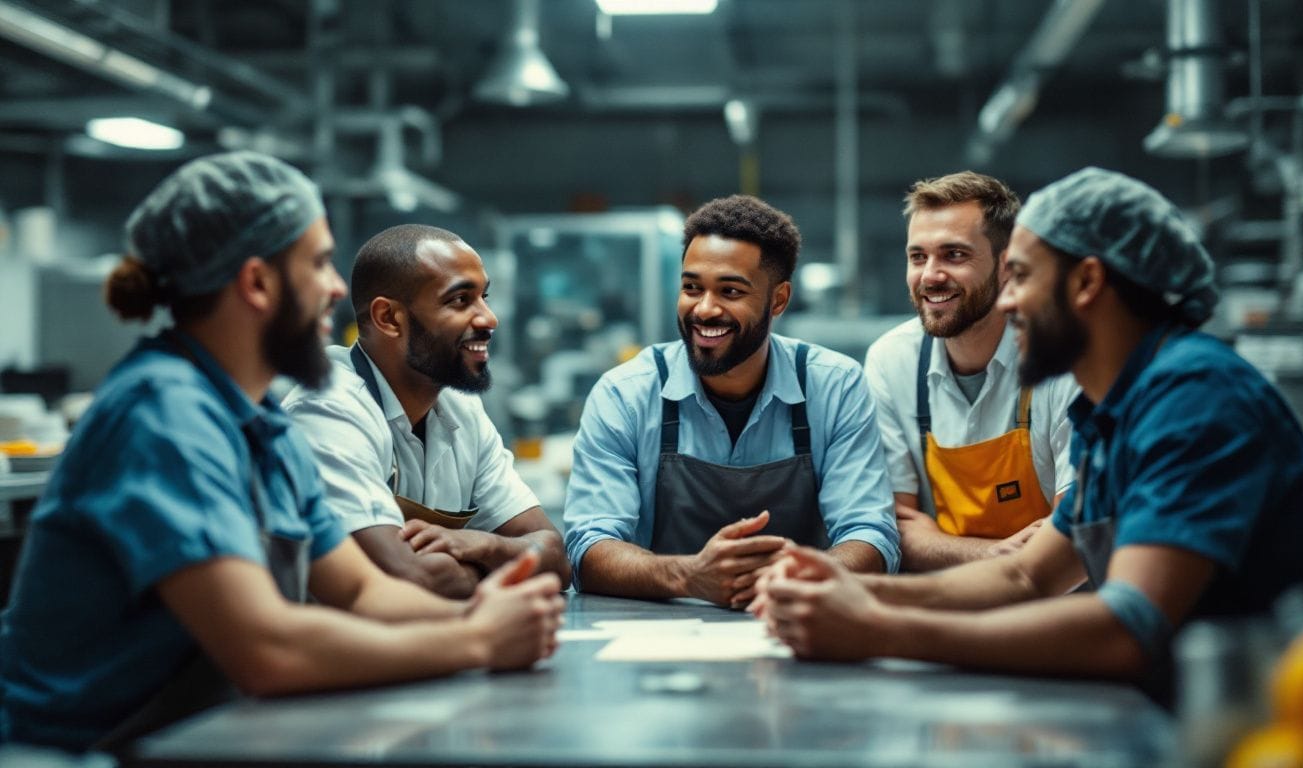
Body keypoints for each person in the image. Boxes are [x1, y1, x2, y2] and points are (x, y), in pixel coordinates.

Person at [0, 152, 564, 754]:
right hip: (71, 752)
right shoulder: (163, 415)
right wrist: (476, 641)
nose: (336, 288)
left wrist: (491, 618)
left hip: (185, 738)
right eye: (319, 263)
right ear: (257, 283)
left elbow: (363, 592)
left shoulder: (261, 425)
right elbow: (265, 649)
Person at [755, 167, 1303, 691]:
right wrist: (844, 591)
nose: (1006, 303)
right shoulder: (1112, 410)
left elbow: (1129, 629)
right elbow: (1026, 572)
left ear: (1087, 283)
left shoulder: (1194, 395)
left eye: (1021, 277)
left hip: (1283, 716)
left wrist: (878, 629)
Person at [563, 194, 900, 608]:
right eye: (691, 288)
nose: (704, 309)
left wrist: (794, 579)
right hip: (655, 638)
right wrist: (689, 576)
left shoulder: (835, 387)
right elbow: (588, 547)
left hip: (796, 622)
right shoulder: (625, 394)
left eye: (730, 291)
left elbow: (871, 535)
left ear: (778, 300)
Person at [283, 225, 570, 599]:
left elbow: (555, 557)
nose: (489, 318)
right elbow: (403, 579)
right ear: (389, 318)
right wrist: (500, 567)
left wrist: (484, 546)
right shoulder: (329, 410)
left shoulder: (461, 411)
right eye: (460, 300)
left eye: (484, 296)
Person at [864, 171, 1079, 571]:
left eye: (954, 255)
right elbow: (896, 524)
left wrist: (942, 544)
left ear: (1007, 266)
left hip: (1062, 606)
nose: (930, 275)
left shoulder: (1063, 360)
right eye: (918, 257)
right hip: (950, 602)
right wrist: (991, 554)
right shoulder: (893, 361)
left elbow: (1073, 534)